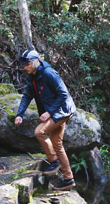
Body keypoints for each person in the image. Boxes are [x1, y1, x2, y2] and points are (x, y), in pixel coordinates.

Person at [13, 49, 77, 190]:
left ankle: (53, 161)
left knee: (39, 132)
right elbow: (26, 96)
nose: (25, 68)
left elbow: (63, 94)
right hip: (55, 111)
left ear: (36, 61)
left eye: (27, 64)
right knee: (57, 144)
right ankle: (69, 179)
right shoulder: (32, 77)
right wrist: (20, 114)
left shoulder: (49, 73)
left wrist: (49, 113)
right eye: (24, 65)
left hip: (62, 110)